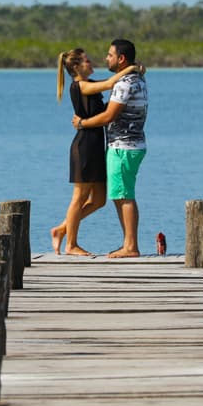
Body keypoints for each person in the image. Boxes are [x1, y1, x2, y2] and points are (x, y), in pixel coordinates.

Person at [51, 48, 141, 256]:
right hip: (83, 147)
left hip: (96, 145)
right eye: (87, 61)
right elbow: (111, 84)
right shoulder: (80, 86)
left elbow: (109, 99)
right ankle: (70, 244)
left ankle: (62, 228)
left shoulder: (90, 85)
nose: (92, 64)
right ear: (76, 67)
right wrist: (132, 69)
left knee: (99, 199)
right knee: (79, 196)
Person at [71, 39, 147, 258]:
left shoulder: (124, 83)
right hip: (131, 144)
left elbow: (109, 116)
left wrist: (82, 123)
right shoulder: (137, 78)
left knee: (124, 196)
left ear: (121, 59)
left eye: (110, 55)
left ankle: (130, 246)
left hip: (123, 146)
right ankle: (128, 244)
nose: (106, 58)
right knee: (121, 194)